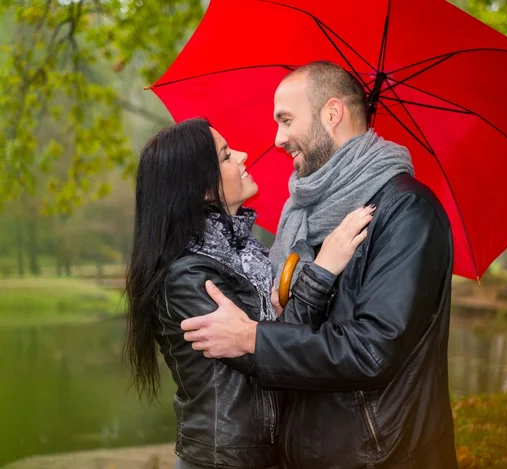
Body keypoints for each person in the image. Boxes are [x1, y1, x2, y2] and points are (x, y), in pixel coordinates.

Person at [181, 61, 459, 469]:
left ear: (332, 114)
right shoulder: (306, 215)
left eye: (286, 120)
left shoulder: (406, 210)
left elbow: (372, 350)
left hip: (380, 457)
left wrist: (253, 339)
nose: (278, 139)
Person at [122, 117, 373, 469]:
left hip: (267, 455)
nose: (242, 156)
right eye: (226, 156)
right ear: (200, 187)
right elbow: (271, 354)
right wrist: (323, 271)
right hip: (226, 460)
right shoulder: (189, 277)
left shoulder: (245, 254)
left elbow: (271, 338)